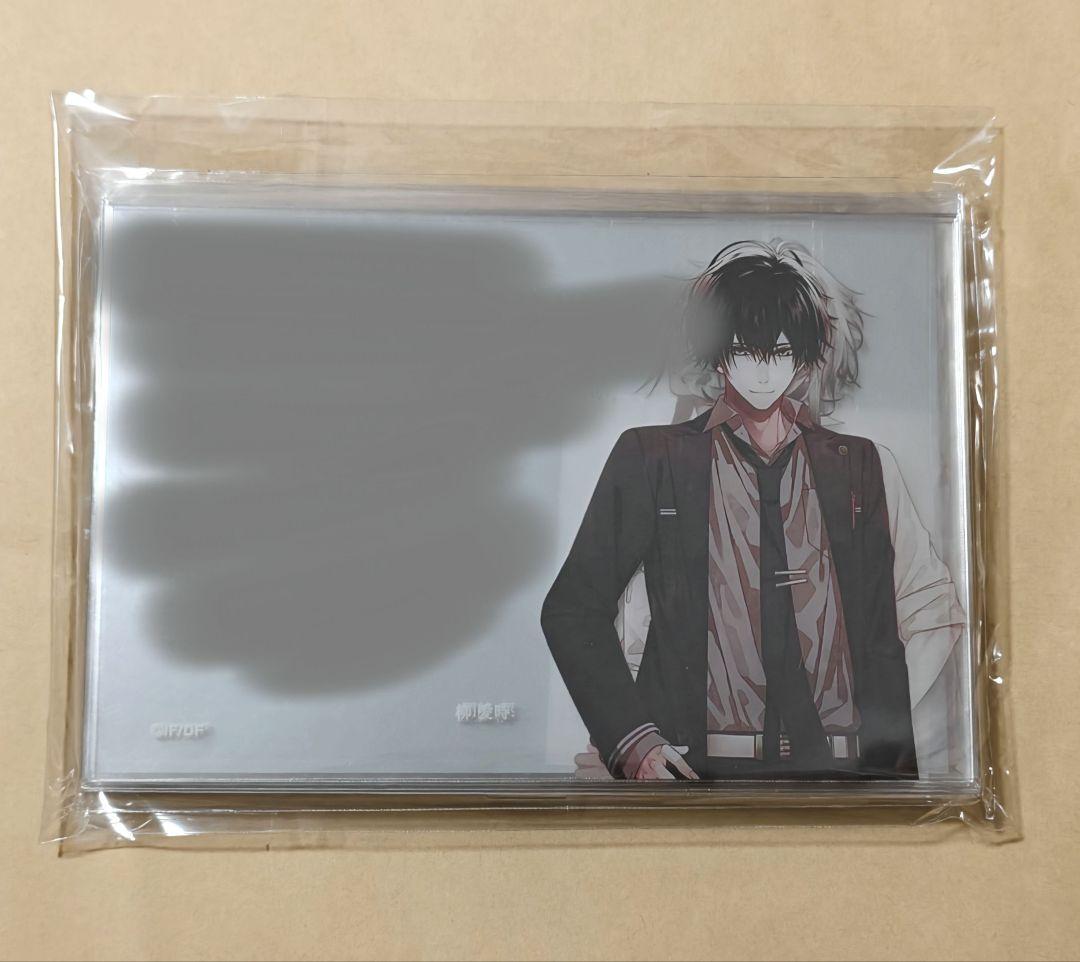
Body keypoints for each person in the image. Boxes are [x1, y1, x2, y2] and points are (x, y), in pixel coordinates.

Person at [541, 240, 965, 781]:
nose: (763, 373)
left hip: (846, 773)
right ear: (719, 355)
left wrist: (886, 749)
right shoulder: (653, 457)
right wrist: (634, 742)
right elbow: (573, 607)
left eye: (780, 353)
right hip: (697, 772)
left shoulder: (859, 464)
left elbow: (912, 619)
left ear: (803, 360)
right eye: (744, 351)